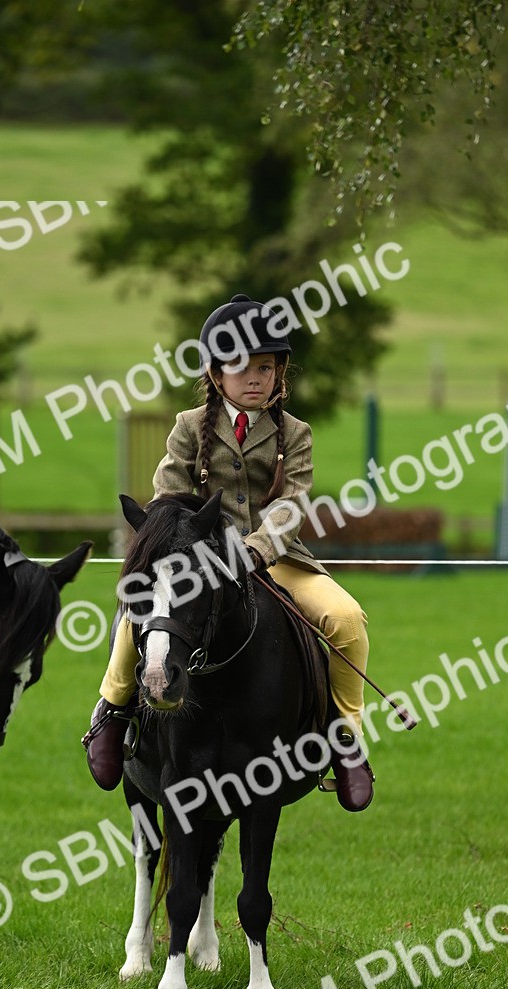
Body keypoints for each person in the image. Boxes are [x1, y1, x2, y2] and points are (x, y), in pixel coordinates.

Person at [84, 294, 375, 812]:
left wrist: (256, 551)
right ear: (217, 374)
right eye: (242, 367)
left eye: (266, 367)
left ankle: (346, 739)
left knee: (348, 618)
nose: (255, 378)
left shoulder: (295, 434)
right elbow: (166, 499)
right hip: (196, 559)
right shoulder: (189, 428)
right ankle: (112, 711)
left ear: (279, 373)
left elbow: (291, 507)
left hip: (279, 559)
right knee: (142, 613)